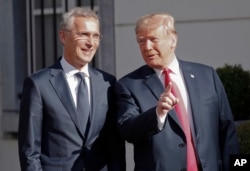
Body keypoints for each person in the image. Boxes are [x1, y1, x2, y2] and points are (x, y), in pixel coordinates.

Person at [115, 13, 239, 171]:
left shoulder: (207, 76)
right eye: (141, 41)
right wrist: (158, 114)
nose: (147, 47)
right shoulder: (128, 85)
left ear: (172, 41)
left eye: (153, 39)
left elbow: (228, 131)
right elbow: (127, 129)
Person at [18, 7, 125, 171]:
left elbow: (115, 146)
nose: (91, 43)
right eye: (83, 34)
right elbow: (29, 151)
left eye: (95, 36)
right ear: (63, 36)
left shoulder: (107, 83)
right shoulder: (38, 84)